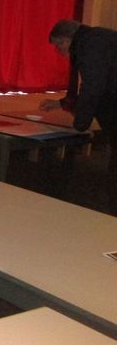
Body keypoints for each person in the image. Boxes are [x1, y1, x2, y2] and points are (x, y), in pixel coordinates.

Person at [40, 19, 117, 213]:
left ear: (66, 41)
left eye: (58, 46)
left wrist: (80, 124)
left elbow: (93, 87)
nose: (59, 52)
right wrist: (62, 103)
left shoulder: (90, 45)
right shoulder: (96, 38)